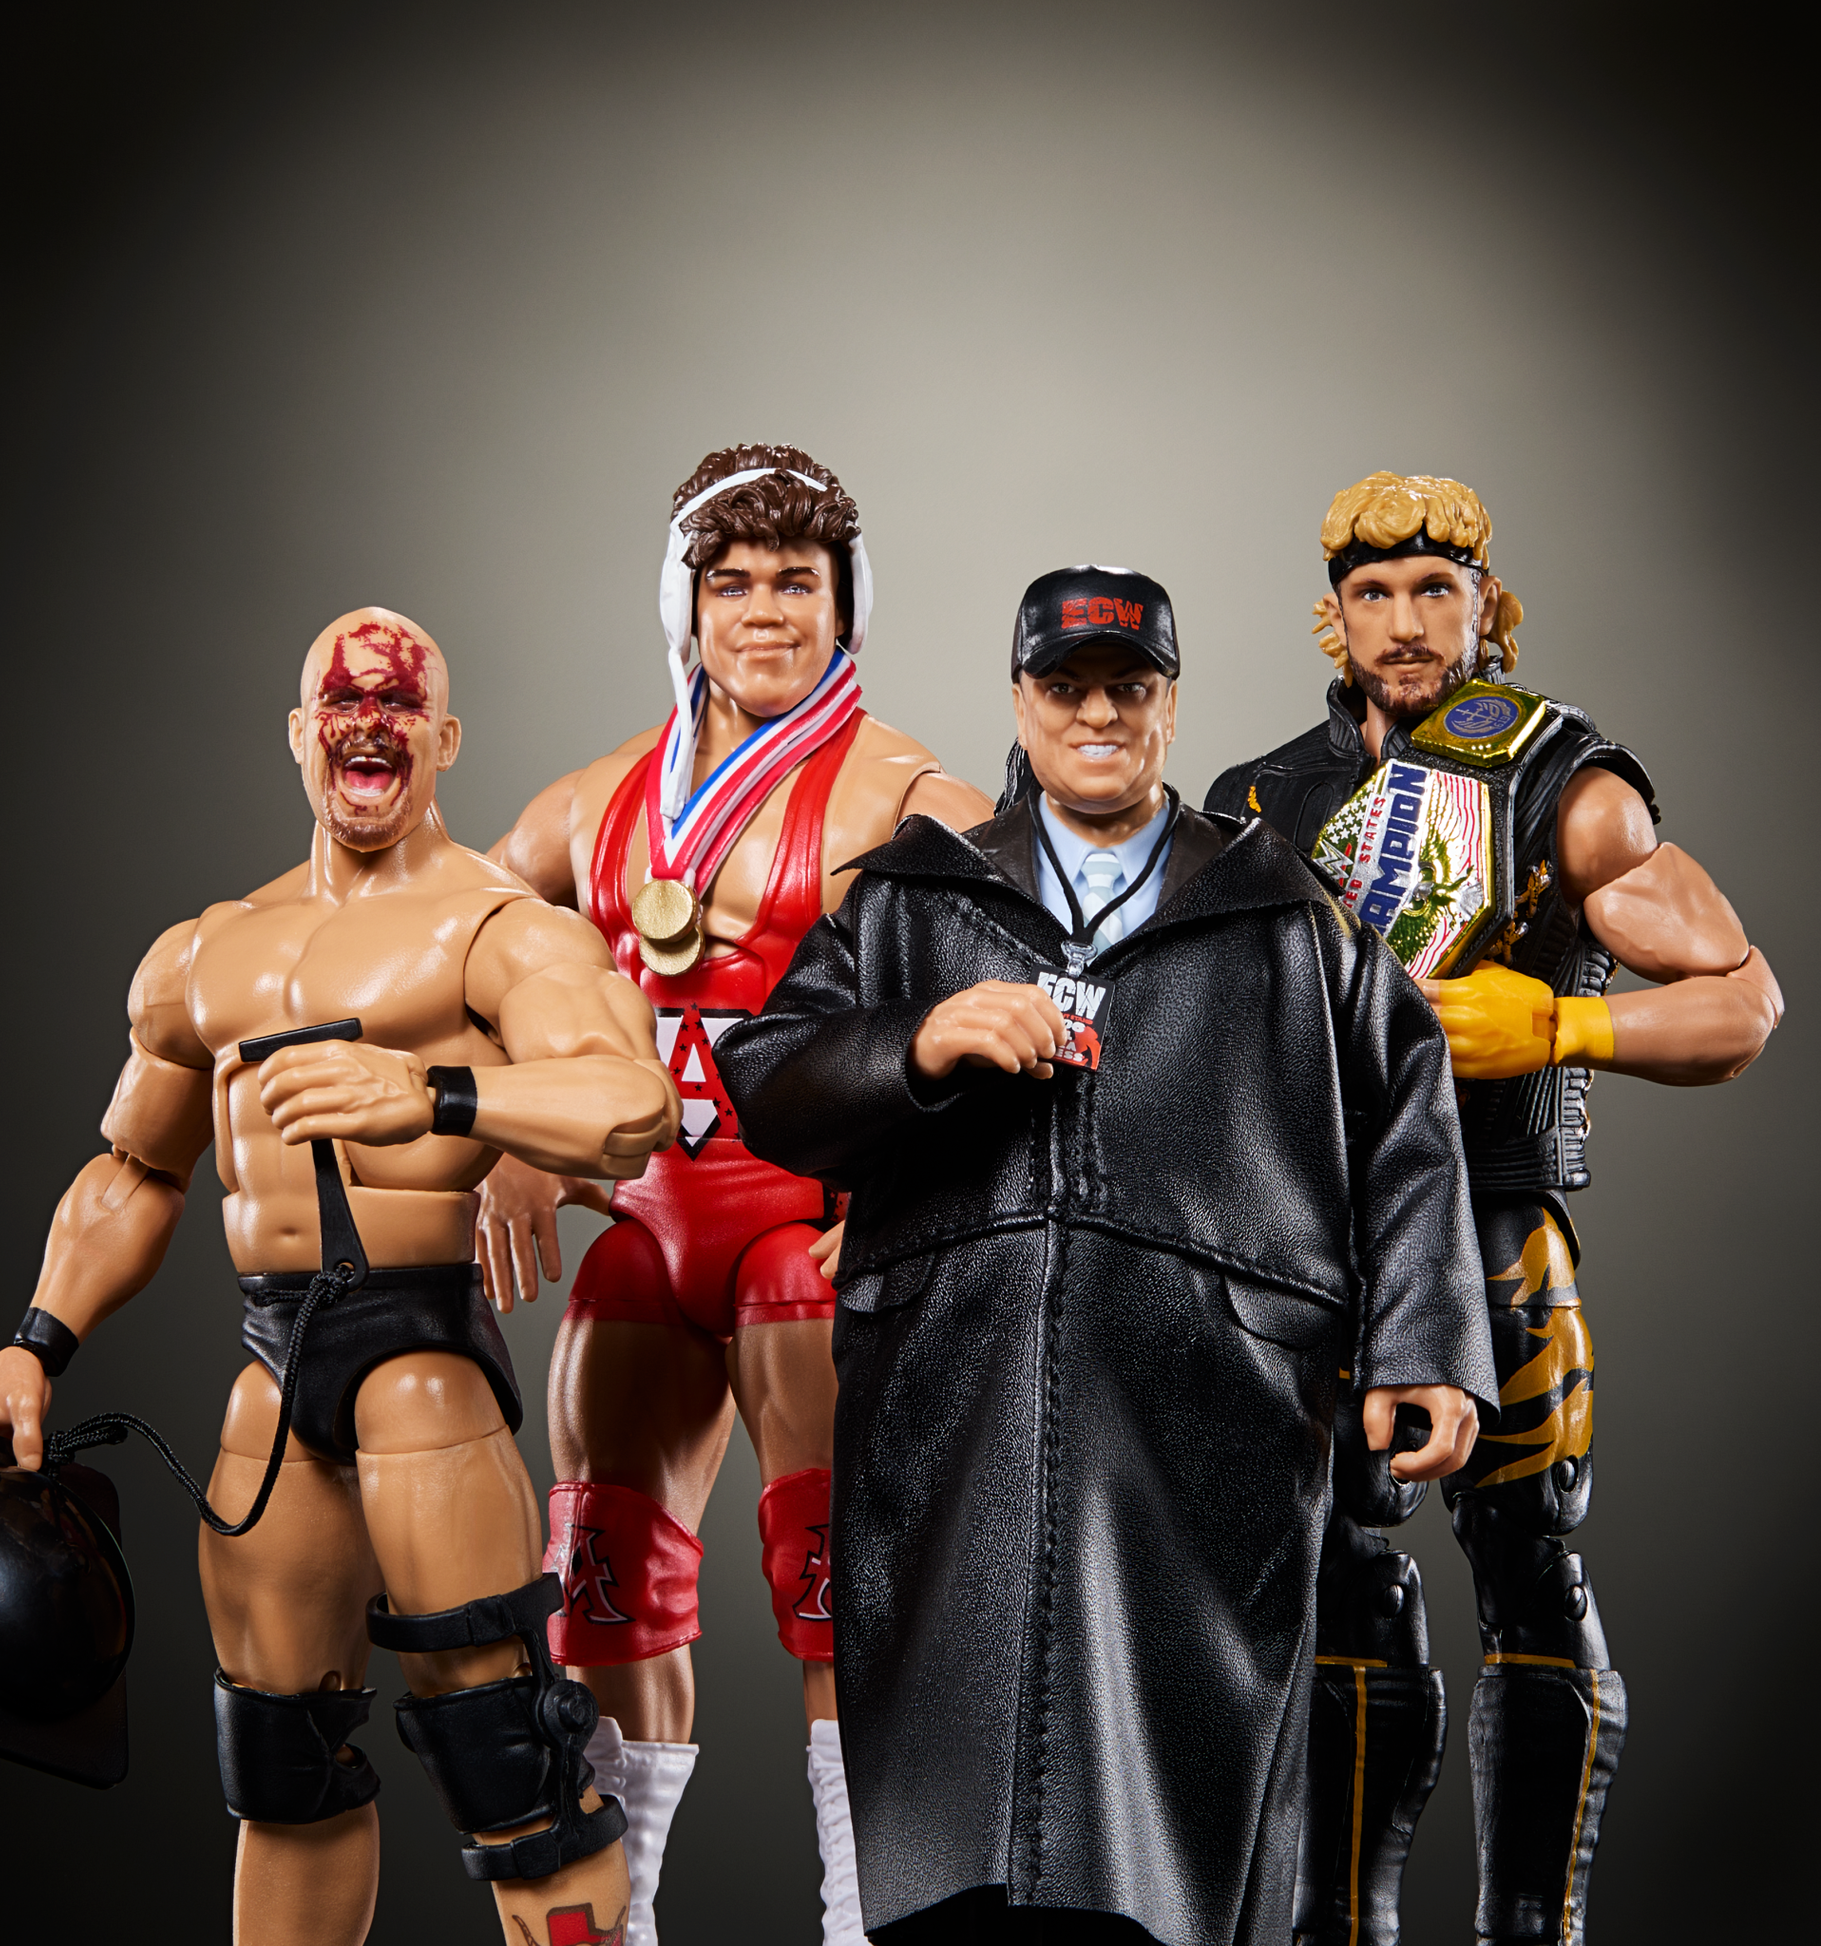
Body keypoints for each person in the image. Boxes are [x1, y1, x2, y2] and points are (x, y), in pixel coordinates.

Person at [715, 564, 1499, 1945]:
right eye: (1064, 687)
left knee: (1179, 1794)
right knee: (954, 1803)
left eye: (1127, 688)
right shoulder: (915, 900)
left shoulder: (1282, 909)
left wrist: (1425, 1343)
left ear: (1170, 705)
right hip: (953, 1386)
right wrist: (921, 1041)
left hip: (1209, 1398)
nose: (1096, 716)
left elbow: (1407, 1113)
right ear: (1019, 701)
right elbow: (769, 1076)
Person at [0, 608, 680, 1946]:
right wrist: (35, 1342)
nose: (369, 722)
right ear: (299, 733)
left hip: (422, 1368)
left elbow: (632, 1104)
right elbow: (136, 1169)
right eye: (343, 701)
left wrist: (434, 1092)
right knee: (282, 1771)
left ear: (444, 739)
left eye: (400, 705)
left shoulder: (495, 929)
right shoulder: (204, 953)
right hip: (271, 1381)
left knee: (510, 1765)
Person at [1206, 471, 1784, 1946]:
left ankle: (1535, 1930)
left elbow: (1743, 999)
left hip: (1493, 1222)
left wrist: (1564, 1027)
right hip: (1316, 1240)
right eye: (1374, 593)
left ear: (1486, 605)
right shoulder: (1256, 804)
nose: (1404, 623)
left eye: (1435, 590)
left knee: (1528, 1564)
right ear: (1332, 616)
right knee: (1333, 1573)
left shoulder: (1558, 784)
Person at [486, 445, 993, 1943]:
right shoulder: (593, 801)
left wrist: (911, 1188)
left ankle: (862, 1920)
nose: (764, 612)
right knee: (598, 1586)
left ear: (845, 604)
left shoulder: (907, 791)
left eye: (796, 581)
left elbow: (1026, 994)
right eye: (733, 582)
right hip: (642, 1230)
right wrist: (514, 1131)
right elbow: (454, 954)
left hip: (803, 1235)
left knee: (834, 1581)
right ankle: (614, 1916)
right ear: (684, 605)